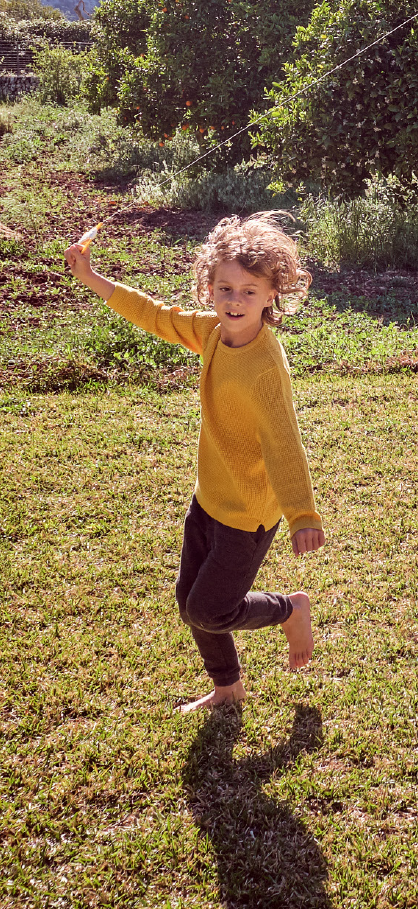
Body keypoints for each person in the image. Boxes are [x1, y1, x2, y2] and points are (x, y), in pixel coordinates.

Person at [65, 212, 325, 713]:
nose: (235, 300)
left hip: (247, 515)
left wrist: (302, 515)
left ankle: (288, 610)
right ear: (209, 288)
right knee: (190, 604)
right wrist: (91, 276)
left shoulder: (265, 367)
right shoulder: (210, 332)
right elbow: (155, 314)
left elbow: (284, 444)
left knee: (210, 609)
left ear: (272, 295)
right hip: (209, 498)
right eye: (225, 288)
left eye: (249, 291)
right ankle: (228, 689)